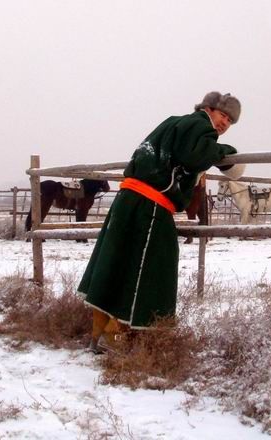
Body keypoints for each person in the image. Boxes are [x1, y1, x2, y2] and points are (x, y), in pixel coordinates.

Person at [78, 91, 245, 353]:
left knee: (116, 262)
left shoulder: (173, 122)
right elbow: (195, 156)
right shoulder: (201, 126)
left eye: (230, 122)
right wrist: (226, 153)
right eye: (223, 116)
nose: (224, 124)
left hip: (128, 198)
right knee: (149, 268)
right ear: (209, 109)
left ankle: (97, 332)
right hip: (151, 203)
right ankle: (116, 335)